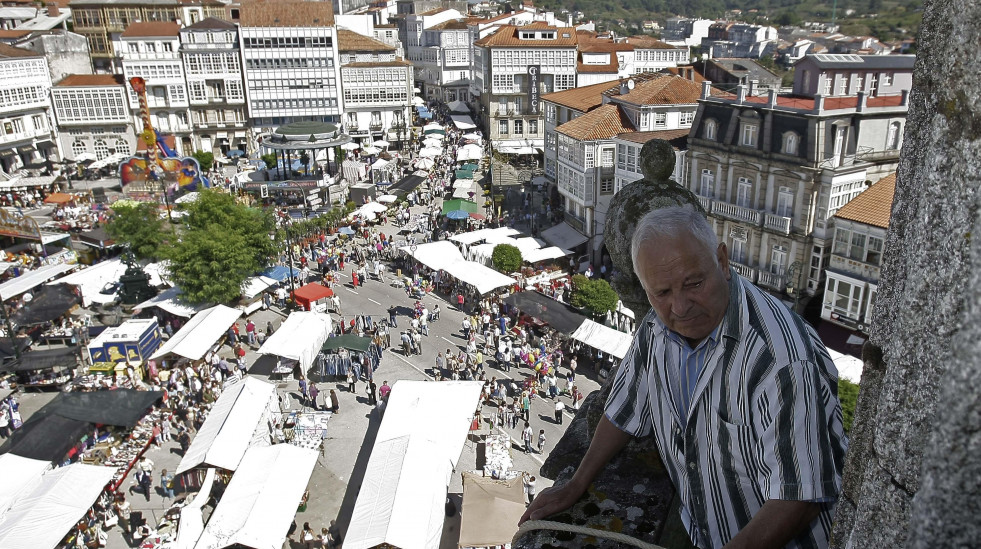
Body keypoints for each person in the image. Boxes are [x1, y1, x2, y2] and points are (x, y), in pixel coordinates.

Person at [520, 205, 847, 549]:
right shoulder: (655, 328)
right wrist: (576, 483)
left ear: (722, 261)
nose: (679, 307)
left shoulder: (781, 360)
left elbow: (799, 499)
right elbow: (625, 410)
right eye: (661, 293)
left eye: (693, 283)